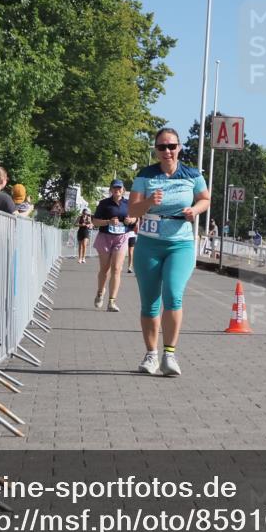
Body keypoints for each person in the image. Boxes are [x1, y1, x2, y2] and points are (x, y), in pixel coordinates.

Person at [128, 127, 210, 377]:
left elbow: (205, 198)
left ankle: (170, 355)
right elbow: (132, 210)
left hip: (180, 244)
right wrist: (150, 202)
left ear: (179, 148)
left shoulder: (192, 175)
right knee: (150, 303)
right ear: (155, 149)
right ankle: (151, 355)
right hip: (149, 244)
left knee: (173, 294)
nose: (167, 151)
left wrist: (195, 210)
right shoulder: (145, 176)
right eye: (162, 147)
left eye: (171, 146)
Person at [92, 179, 136, 312]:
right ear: (111, 190)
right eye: (115, 188)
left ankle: (112, 302)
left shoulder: (128, 204)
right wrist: (108, 222)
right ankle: (100, 292)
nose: (117, 190)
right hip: (105, 237)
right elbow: (95, 222)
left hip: (122, 237)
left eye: (120, 188)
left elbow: (136, 218)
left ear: (123, 190)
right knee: (105, 269)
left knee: (117, 269)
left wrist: (131, 220)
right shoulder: (104, 204)